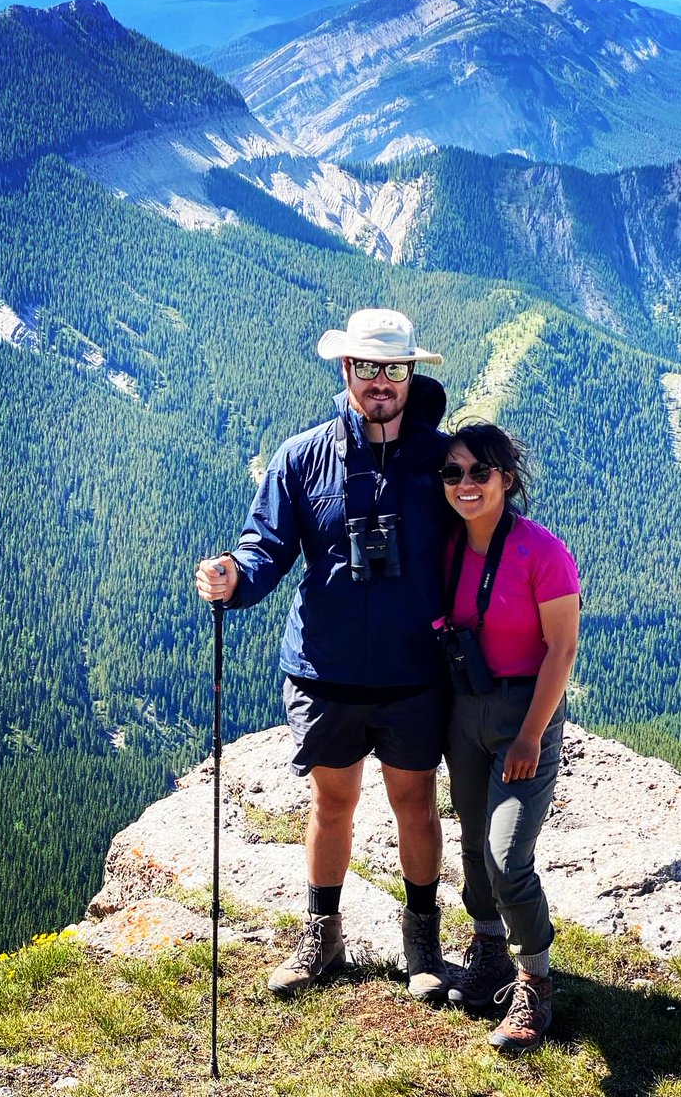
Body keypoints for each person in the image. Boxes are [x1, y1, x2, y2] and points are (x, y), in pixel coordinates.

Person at [195, 308, 452, 1001]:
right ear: (345, 370)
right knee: (331, 801)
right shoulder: (302, 456)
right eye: (366, 368)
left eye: (392, 369)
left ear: (410, 374)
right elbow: (265, 547)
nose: (380, 383)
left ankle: (420, 944)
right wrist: (233, 577)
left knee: (415, 802)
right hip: (325, 669)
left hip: (414, 671)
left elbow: (486, 537)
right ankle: (321, 934)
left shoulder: (442, 460)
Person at [436, 423, 580, 1053]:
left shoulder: (542, 551)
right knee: (471, 840)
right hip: (465, 707)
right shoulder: (447, 547)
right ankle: (489, 946)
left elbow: (562, 648)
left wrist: (531, 736)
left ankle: (534, 984)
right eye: (453, 473)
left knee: (505, 854)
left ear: (507, 479)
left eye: (479, 472)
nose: (466, 484)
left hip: (524, 711)